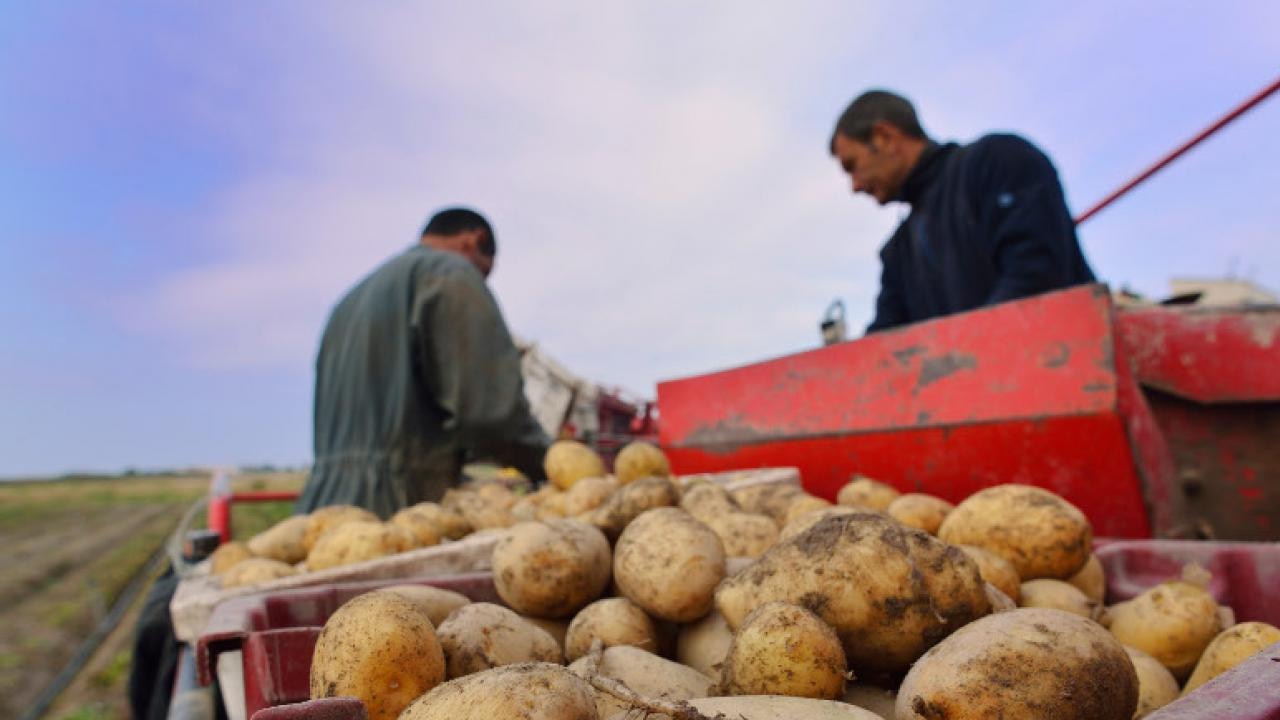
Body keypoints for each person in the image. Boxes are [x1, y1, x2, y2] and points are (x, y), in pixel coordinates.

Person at [297, 207, 550, 517]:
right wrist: (551, 462)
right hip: (400, 509)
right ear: (474, 241)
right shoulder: (450, 274)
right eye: (484, 273)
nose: (481, 283)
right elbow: (490, 414)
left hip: (321, 509)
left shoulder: (349, 302)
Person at [829, 90, 1096, 333]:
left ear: (885, 137)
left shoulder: (997, 163)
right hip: (975, 381)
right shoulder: (898, 253)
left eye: (852, 165)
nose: (855, 186)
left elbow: (1036, 278)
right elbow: (883, 344)